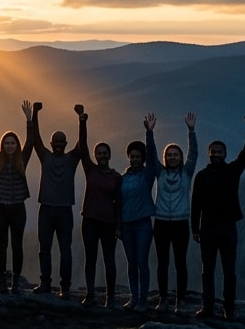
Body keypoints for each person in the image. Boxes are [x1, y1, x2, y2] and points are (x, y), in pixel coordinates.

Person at [191, 108, 245, 319]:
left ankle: (229, 309)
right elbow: (195, 204)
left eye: (220, 152)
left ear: (225, 154)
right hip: (208, 227)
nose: (216, 154)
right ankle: (208, 308)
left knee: (229, 271)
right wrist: (195, 229)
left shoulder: (233, 170)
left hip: (228, 227)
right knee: (207, 271)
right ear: (208, 153)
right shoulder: (201, 176)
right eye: (213, 151)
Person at [32, 103, 87, 297]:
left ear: (65, 144)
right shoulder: (45, 156)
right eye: (56, 142)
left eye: (61, 142)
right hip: (46, 209)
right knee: (44, 248)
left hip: (64, 210)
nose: (58, 145)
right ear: (52, 143)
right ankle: (45, 283)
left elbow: (82, 143)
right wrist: (34, 115)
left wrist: (81, 120)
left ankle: (65, 287)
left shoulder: (72, 159)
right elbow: (35, 139)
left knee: (65, 250)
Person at [0, 101, 35, 294]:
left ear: (17, 145)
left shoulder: (23, 158)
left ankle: (15, 282)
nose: (10, 146)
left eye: (13, 143)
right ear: (2, 145)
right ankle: (2, 281)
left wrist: (30, 120)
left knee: (17, 245)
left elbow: (30, 142)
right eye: (7, 143)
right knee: (2, 244)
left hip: (18, 208)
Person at [152, 113, 198, 314]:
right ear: (165, 157)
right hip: (161, 223)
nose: (172, 157)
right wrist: (149, 132)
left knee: (180, 263)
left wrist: (191, 131)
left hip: (180, 224)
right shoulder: (159, 172)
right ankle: (163, 299)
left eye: (175, 154)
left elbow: (194, 154)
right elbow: (151, 154)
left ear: (180, 157)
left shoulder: (187, 172)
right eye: (169, 155)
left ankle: (180, 300)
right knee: (162, 262)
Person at [118, 115, 162, 312]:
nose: (134, 159)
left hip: (143, 224)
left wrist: (149, 133)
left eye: (137, 156)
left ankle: (143, 299)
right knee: (131, 262)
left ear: (142, 159)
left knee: (142, 262)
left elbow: (152, 156)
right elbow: (118, 203)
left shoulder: (147, 174)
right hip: (126, 225)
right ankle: (133, 297)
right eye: (132, 156)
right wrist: (118, 226)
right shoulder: (123, 178)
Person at [78, 121, 122, 308]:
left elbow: (120, 203)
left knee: (109, 259)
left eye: (105, 153)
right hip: (89, 221)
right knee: (91, 258)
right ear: (95, 156)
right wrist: (82, 122)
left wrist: (119, 226)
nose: (102, 156)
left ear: (109, 155)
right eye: (99, 153)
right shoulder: (90, 169)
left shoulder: (117, 177)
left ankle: (110, 297)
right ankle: (90, 294)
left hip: (109, 223)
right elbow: (82, 144)